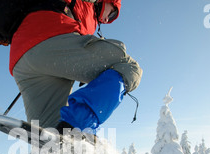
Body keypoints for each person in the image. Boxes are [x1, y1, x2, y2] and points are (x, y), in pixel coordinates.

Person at [10, 0, 142, 136]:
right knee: (130, 68)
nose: (108, 19)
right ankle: (77, 126)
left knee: (50, 135)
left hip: (21, 57)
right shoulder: (88, 5)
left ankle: (54, 148)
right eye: (113, 13)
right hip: (53, 41)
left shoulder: (86, 15)